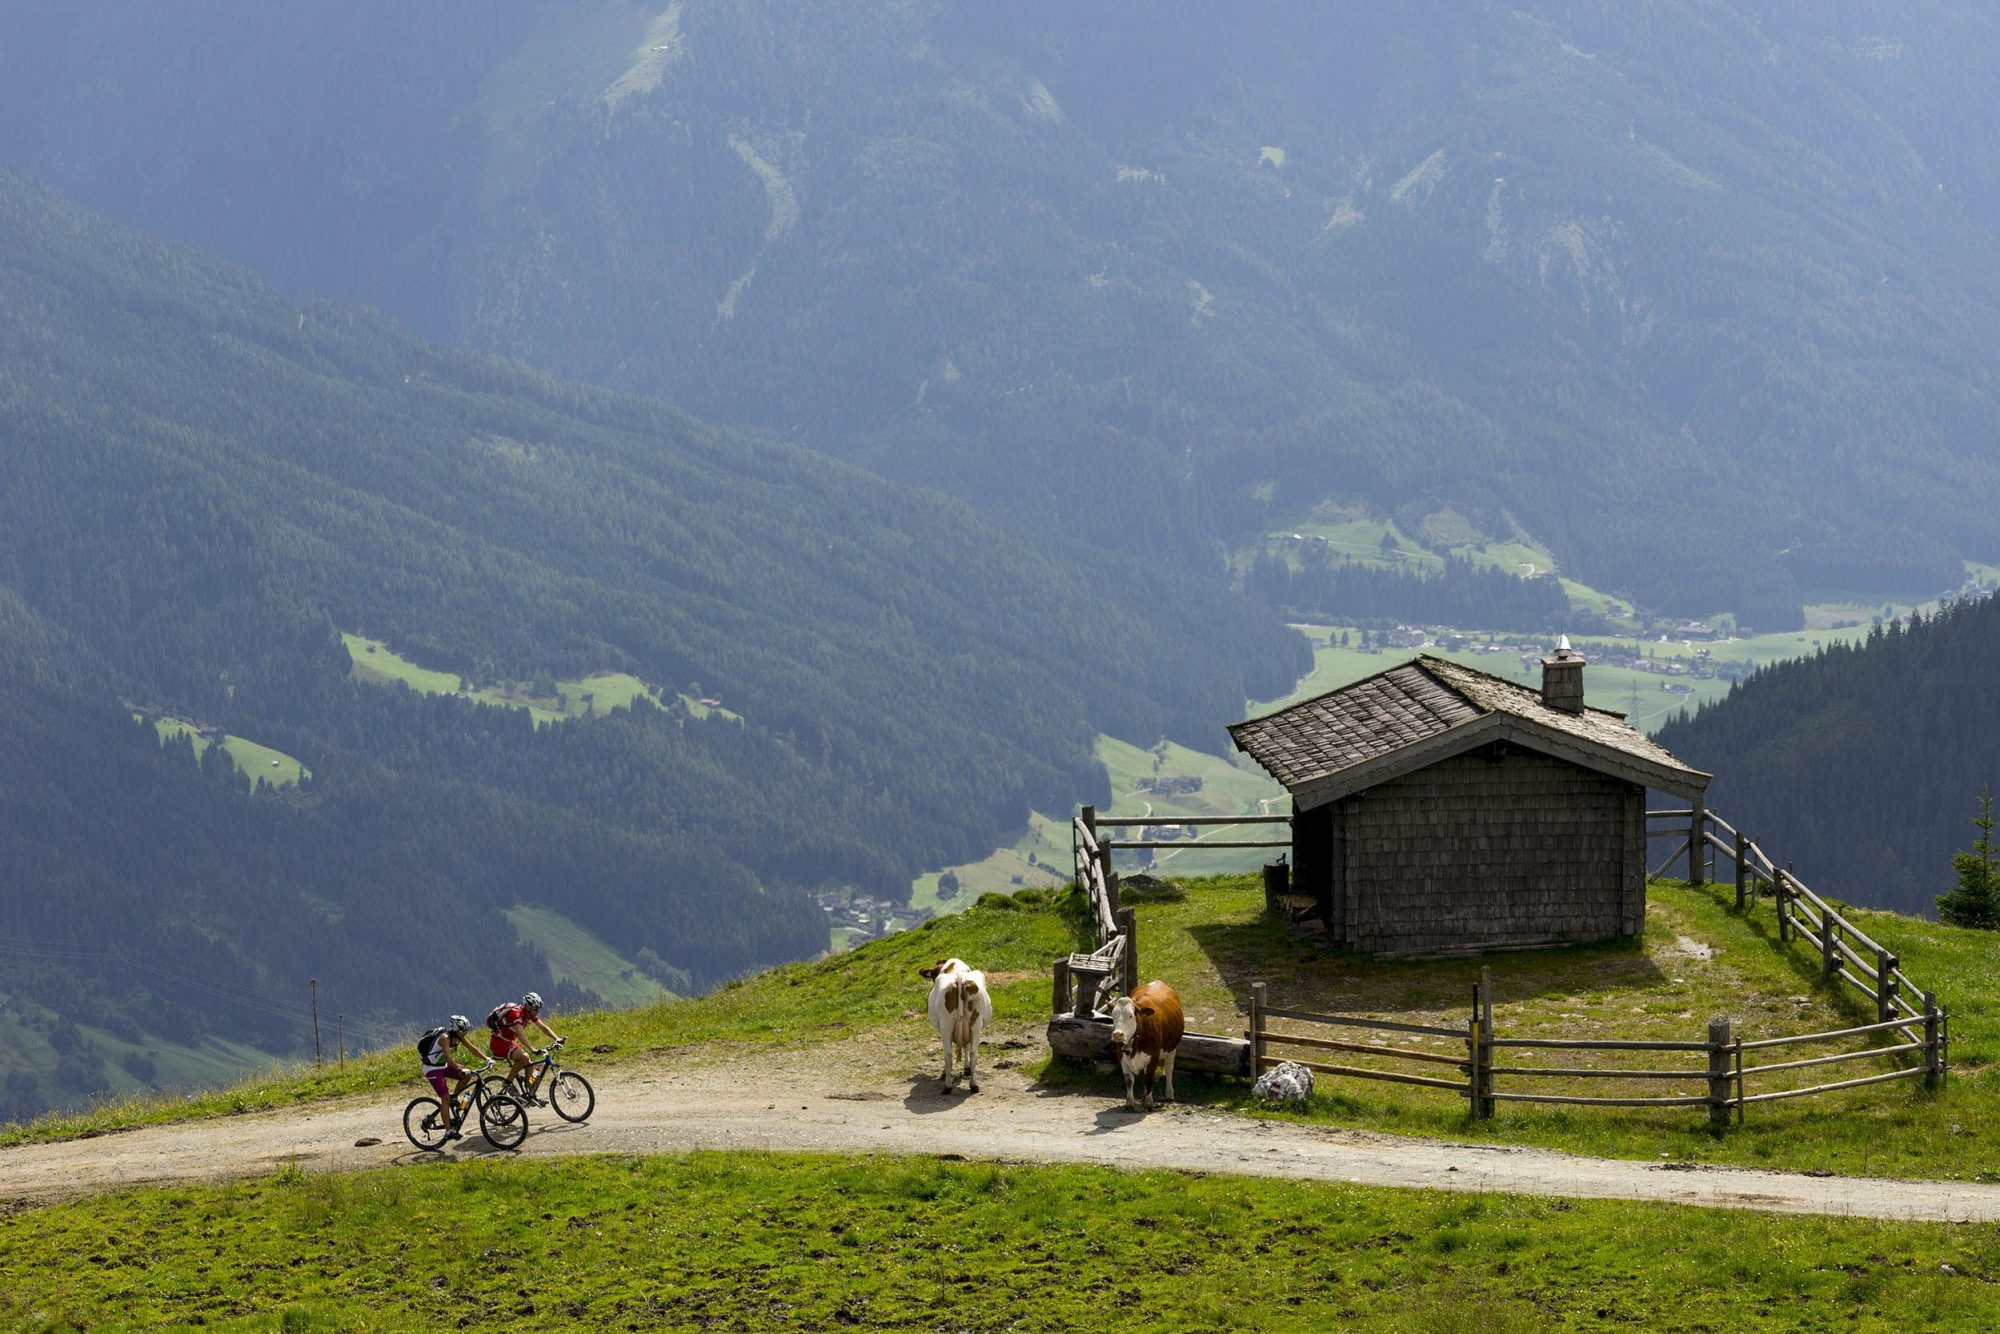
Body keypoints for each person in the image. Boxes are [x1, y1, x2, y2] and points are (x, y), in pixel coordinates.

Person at [487, 991, 562, 1103]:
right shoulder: (516, 1014)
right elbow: (521, 1035)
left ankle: (530, 1095)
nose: (537, 1012)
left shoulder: (529, 1014)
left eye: (538, 1009)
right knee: (524, 1057)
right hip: (498, 1042)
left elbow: (543, 1028)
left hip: (508, 1042)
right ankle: (507, 1083)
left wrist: (557, 1038)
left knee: (530, 1064)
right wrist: (533, 1049)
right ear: (528, 1007)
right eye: (536, 1009)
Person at [417, 1015, 481, 1138]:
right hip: (432, 1069)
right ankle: (448, 1131)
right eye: (463, 1031)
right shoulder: (445, 1038)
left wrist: (487, 1059)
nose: (464, 1033)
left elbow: (473, 1049)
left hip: (442, 1065)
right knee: (445, 1098)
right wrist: (459, 1067)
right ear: (456, 1029)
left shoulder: (458, 1037)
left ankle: (454, 1098)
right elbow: (448, 1058)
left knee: (465, 1076)